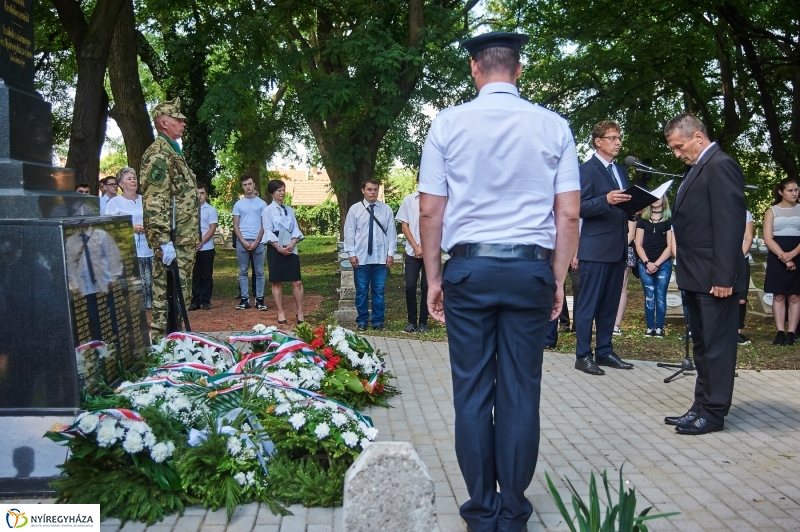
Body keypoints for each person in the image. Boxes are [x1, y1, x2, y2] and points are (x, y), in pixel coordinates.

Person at [419, 32, 580, 532]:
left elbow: (429, 209)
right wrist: (556, 279)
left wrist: (433, 277)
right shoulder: (554, 126)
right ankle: (512, 511)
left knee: (471, 393)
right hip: (531, 267)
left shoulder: (447, 124)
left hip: (470, 267)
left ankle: (480, 512)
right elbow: (570, 214)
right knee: (520, 391)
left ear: (475, 69)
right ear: (519, 70)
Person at [664, 113, 747, 436]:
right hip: (695, 275)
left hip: (716, 278)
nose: (676, 153)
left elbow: (730, 225)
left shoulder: (721, 165)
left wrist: (724, 277)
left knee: (717, 347)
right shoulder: (697, 168)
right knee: (701, 345)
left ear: (698, 137)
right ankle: (700, 405)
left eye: (679, 146)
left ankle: (714, 412)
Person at [573, 120, 635, 375]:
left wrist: (634, 209)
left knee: (610, 303)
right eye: (612, 137)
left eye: (619, 137)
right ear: (598, 141)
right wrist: (605, 200)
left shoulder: (620, 170)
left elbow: (623, 204)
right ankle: (583, 355)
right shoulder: (585, 170)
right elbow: (578, 207)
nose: (618, 142)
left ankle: (605, 350)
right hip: (595, 247)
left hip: (617, 247)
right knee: (588, 303)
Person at [141, 97, 200, 339]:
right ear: (164, 123)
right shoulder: (159, 154)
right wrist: (162, 241)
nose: (183, 123)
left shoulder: (173, 151)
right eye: (179, 119)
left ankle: (176, 343)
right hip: (172, 242)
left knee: (179, 298)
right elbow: (155, 199)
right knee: (165, 299)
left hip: (183, 240)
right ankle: (160, 348)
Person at [343, 179, 397, 331]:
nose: (373, 192)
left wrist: (390, 253)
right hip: (361, 257)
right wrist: (351, 254)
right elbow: (349, 233)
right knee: (361, 291)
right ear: (363, 190)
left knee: (378, 291)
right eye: (369, 189)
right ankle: (362, 320)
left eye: (375, 189)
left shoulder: (386, 209)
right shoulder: (355, 210)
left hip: (381, 258)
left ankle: (378, 321)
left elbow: (392, 233)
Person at [105, 167, 154, 310]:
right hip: (129, 248)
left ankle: (149, 306)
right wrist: (130, 227)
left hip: (148, 246)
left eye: (134, 178)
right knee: (134, 280)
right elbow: (110, 225)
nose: (133, 181)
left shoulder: (145, 200)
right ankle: (135, 309)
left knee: (149, 279)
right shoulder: (115, 203)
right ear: (121, 184)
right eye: (129, 179)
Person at [762, 178, 800, 346]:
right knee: (778, 295)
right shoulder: (772, 211)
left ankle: (791, 332)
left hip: (797, 252)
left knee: (794, 295)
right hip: (777, 253)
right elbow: (768, 238)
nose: (794, 193)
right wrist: (784, 257)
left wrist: (792, 255)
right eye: (790, 190)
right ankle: (779, 332)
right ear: (781, 192)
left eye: (796, 190)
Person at [261, 179, 305, 324]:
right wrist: (279, 248)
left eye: (283, 190)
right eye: (279, 190)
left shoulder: (289, 210)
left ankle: (300, 312)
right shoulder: (267, 211)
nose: (282, 193)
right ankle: (280, 312)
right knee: (277, 281)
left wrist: (292, 243)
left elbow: (295, 228)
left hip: (290, 246)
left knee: (297, 281)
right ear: (272, 193)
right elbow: (268, 230)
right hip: (275, 248)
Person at [634, 196, 673, 337]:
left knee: (661, 296)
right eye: (654, 197)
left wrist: (656, 264)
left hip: (663, 264)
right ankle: (650, 327)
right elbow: (638, 244)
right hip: (645, 263)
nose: (656, 199)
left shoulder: (669, 220)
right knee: (649, 296)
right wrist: (647, 263)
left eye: (660, 197)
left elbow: (670, 246)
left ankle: (659, 328)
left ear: (664, 200)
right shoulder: (642, 220)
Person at [396, 177, 429, 334]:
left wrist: (425, 247)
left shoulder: (436, 200)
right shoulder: (409, 200)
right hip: (412, 250)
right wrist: (416, 247)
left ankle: (423, 323)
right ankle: (411, 322)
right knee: (410, 287)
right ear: (417, 181)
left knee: (427, 287)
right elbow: (404, 226)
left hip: (430, 252)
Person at [232, 174, 267, 311]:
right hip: (243, 241)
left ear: (253, 185)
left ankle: (259, 299)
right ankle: (244, 299)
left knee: (259, 272)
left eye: (250, 184)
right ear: (242, 186)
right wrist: (242, 241)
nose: (248, 187)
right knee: (243, 271)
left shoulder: (262, 204)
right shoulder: (238, 204)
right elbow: (236, 224)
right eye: (245, 185)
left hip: (258, 241)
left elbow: (265, 224)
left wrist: (257, 241)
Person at [190, 182, 218, 311]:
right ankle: (195, 300)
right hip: (193, 247)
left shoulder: (211, 210)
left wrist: (201, 241)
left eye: (202, 193)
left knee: (206, 274)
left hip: (207, 247)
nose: (199, 196)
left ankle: (206, 300)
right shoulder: (189, 210)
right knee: (195, 274)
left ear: (206, 195)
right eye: (197, 193)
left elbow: (212, 229)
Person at [613, 220, 637, 336]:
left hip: (625, 251)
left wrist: (617, 248)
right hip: (608, 252)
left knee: (621, 288)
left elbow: (631, 234)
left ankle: (616, 325)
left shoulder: (628, 210)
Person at [737, 210, 755, 345]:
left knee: (741, 299)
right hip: (722, 260)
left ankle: (738, 332)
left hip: (741, 259)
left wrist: (738, 257)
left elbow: (748, 238)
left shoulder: (745, 213)